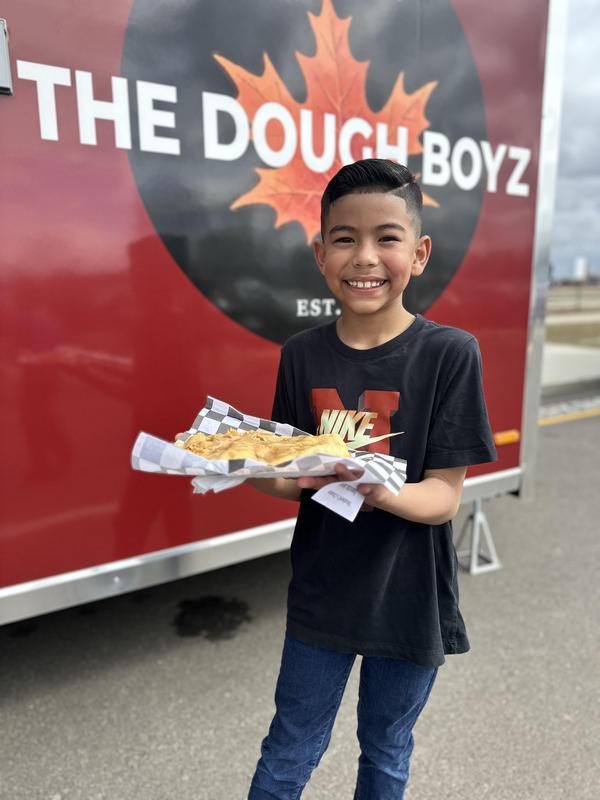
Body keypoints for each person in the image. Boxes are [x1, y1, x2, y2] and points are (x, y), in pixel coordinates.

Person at [246, 158, 497, 799]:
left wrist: (381, 490)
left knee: (385, 754)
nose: (365, 256)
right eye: (344, 238)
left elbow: (443, 497)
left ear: (419, 253)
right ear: (320, 254)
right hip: (321, 594)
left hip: (409, 602)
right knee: (287, 753)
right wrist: (248, 465)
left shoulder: (450, 353)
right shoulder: (300, 354)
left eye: (387, 237)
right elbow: (286, 479)